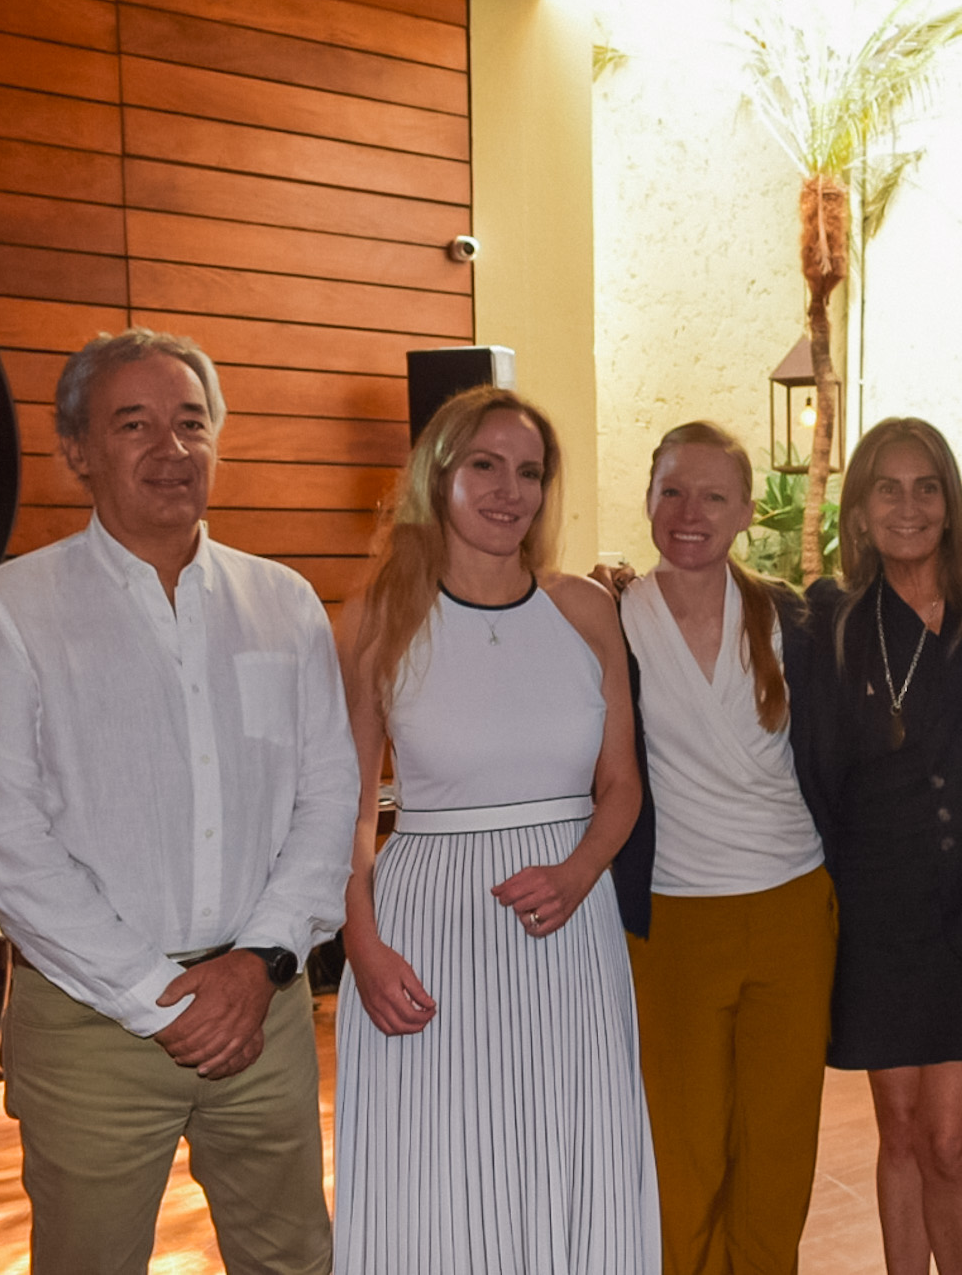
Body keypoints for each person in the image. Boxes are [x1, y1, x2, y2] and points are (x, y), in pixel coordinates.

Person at [0, 327, 358, 1274]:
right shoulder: (10, 612)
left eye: (191, 422)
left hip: (264, 1008)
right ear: (77, 450)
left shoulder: (283, 601)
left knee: (293, 1259)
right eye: (135, 423)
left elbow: (330, 794)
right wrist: (153, 998)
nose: (171, 447)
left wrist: (258, 963)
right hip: (91, 1022)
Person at [332, 385, 659, 1273]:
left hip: (568, 922)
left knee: (570, 1146)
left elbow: (622, 784)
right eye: (485, 465)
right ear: (439, 474)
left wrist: (582, 869)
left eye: (529, 471)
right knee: (441, 1175)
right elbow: (350, 809)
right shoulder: (374, 618)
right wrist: (361, 945)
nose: (510, 489)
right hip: (428, 929)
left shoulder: (588, 610)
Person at [804, 417, 962, 1275]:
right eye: (888, 487)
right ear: (861, 506)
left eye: (926, 488)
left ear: (951, 505)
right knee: (901, 1133)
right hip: (877, 921)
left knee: (952, 1139)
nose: (907, 507)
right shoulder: (832, 621)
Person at [610, 422, 838, 1275]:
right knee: (682, 1153)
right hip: (672, 921)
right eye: (672, 490)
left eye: (712, 494)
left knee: (779, 1148)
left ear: (746, 509)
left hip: (792, 909)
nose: (690, 511)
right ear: (648, 500)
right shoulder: (611, 618)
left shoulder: (795, 620)